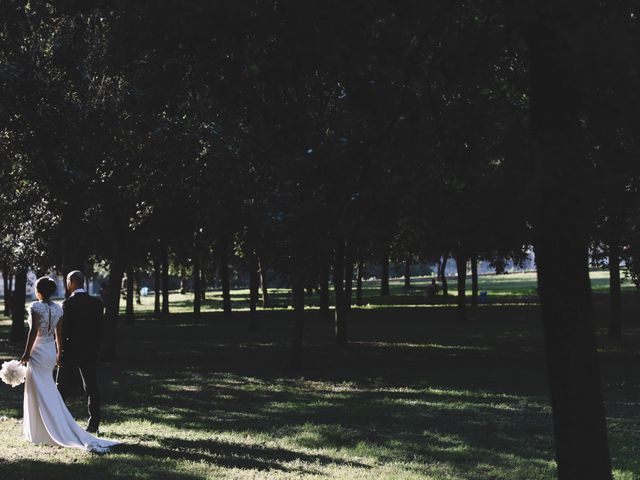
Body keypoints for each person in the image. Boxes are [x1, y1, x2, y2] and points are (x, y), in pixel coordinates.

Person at [20, 275, 118, 452]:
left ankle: (46, 426)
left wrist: (29, 353)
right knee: (85, 387)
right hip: (65, 352)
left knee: (51, 387)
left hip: (51, 352)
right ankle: (90, 422)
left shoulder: (51, 305)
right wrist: (60, 352)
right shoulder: (79, 305)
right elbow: (65, 333)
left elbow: (41, 331)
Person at [57, 270, 105, 433]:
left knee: (61, 387)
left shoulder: (68, 304)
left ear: (71, 282)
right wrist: (96, 348)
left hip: (71, 351)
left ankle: (58, 422)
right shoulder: (96, 302)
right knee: (91, 387)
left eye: (67, 281)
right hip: (90, 350)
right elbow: (100, 329)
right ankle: (94, 423)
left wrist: (60, 351)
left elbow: (65, 331)